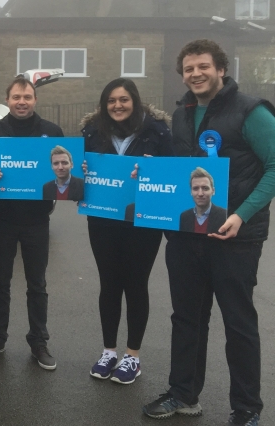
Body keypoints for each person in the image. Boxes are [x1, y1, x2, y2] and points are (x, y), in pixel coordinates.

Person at [143, 40, 275, 426]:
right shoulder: (181, 114)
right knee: (186, 319)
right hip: (187, 236)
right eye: (188, 69)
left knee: (238, 324)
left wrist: (243, 215)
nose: (195, 74)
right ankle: (183, 394)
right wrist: (152, 171)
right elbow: (185, 169)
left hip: (236, 238)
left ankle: (247, 409)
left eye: (203, 67)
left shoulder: (251, 111)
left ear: (221, 68)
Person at [80, 77, 173, 384]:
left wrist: (154, 167)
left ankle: (132, 356)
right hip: (102, 221)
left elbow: (173, 173)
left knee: (135, 284)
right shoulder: (92, 131)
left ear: (134, 101)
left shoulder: (158, 132)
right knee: (109, 283)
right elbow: (75, 168)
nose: (117, 106)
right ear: (104, 105)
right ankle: (108, 351)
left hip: (142, 223)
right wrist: (78, 170)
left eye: (123, 100)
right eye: (111, 101)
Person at [0, 77, 63, 370]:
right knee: (0, 282)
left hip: (37, 221)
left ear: (35, 99)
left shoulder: (52, 133)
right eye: (16, 97)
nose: (22, 102)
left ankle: (38, 341)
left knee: (37, 284)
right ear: (8, 99)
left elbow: (65, 173)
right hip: (2, 221)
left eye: (27, 96)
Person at [178, 167, 227, 234]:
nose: (200, 193)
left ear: (213, 191)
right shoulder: (184, 217)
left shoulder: (224, 216)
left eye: (205, 188)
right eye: (195, 188)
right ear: (191, 192)